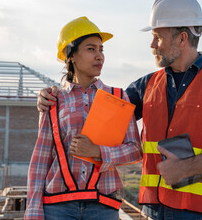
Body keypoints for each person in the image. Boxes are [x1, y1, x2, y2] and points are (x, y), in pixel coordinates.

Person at [37, 0, 202, 220]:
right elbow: (92, 108)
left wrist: (187, 168)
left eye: (157, 37)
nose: (152, 45)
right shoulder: (146, 85)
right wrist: (53, 94)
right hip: (156, 211)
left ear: (182, 38)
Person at [24, 16, 142, 220]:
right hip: (57, 207)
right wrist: (33, 211)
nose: (99, 56)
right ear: (72, 56)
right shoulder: (54, 99)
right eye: (91, 49)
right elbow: (41, 159)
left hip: (102, 206)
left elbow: (134, 150)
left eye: (101, 49)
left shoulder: (117, 97)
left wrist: (98, 152)